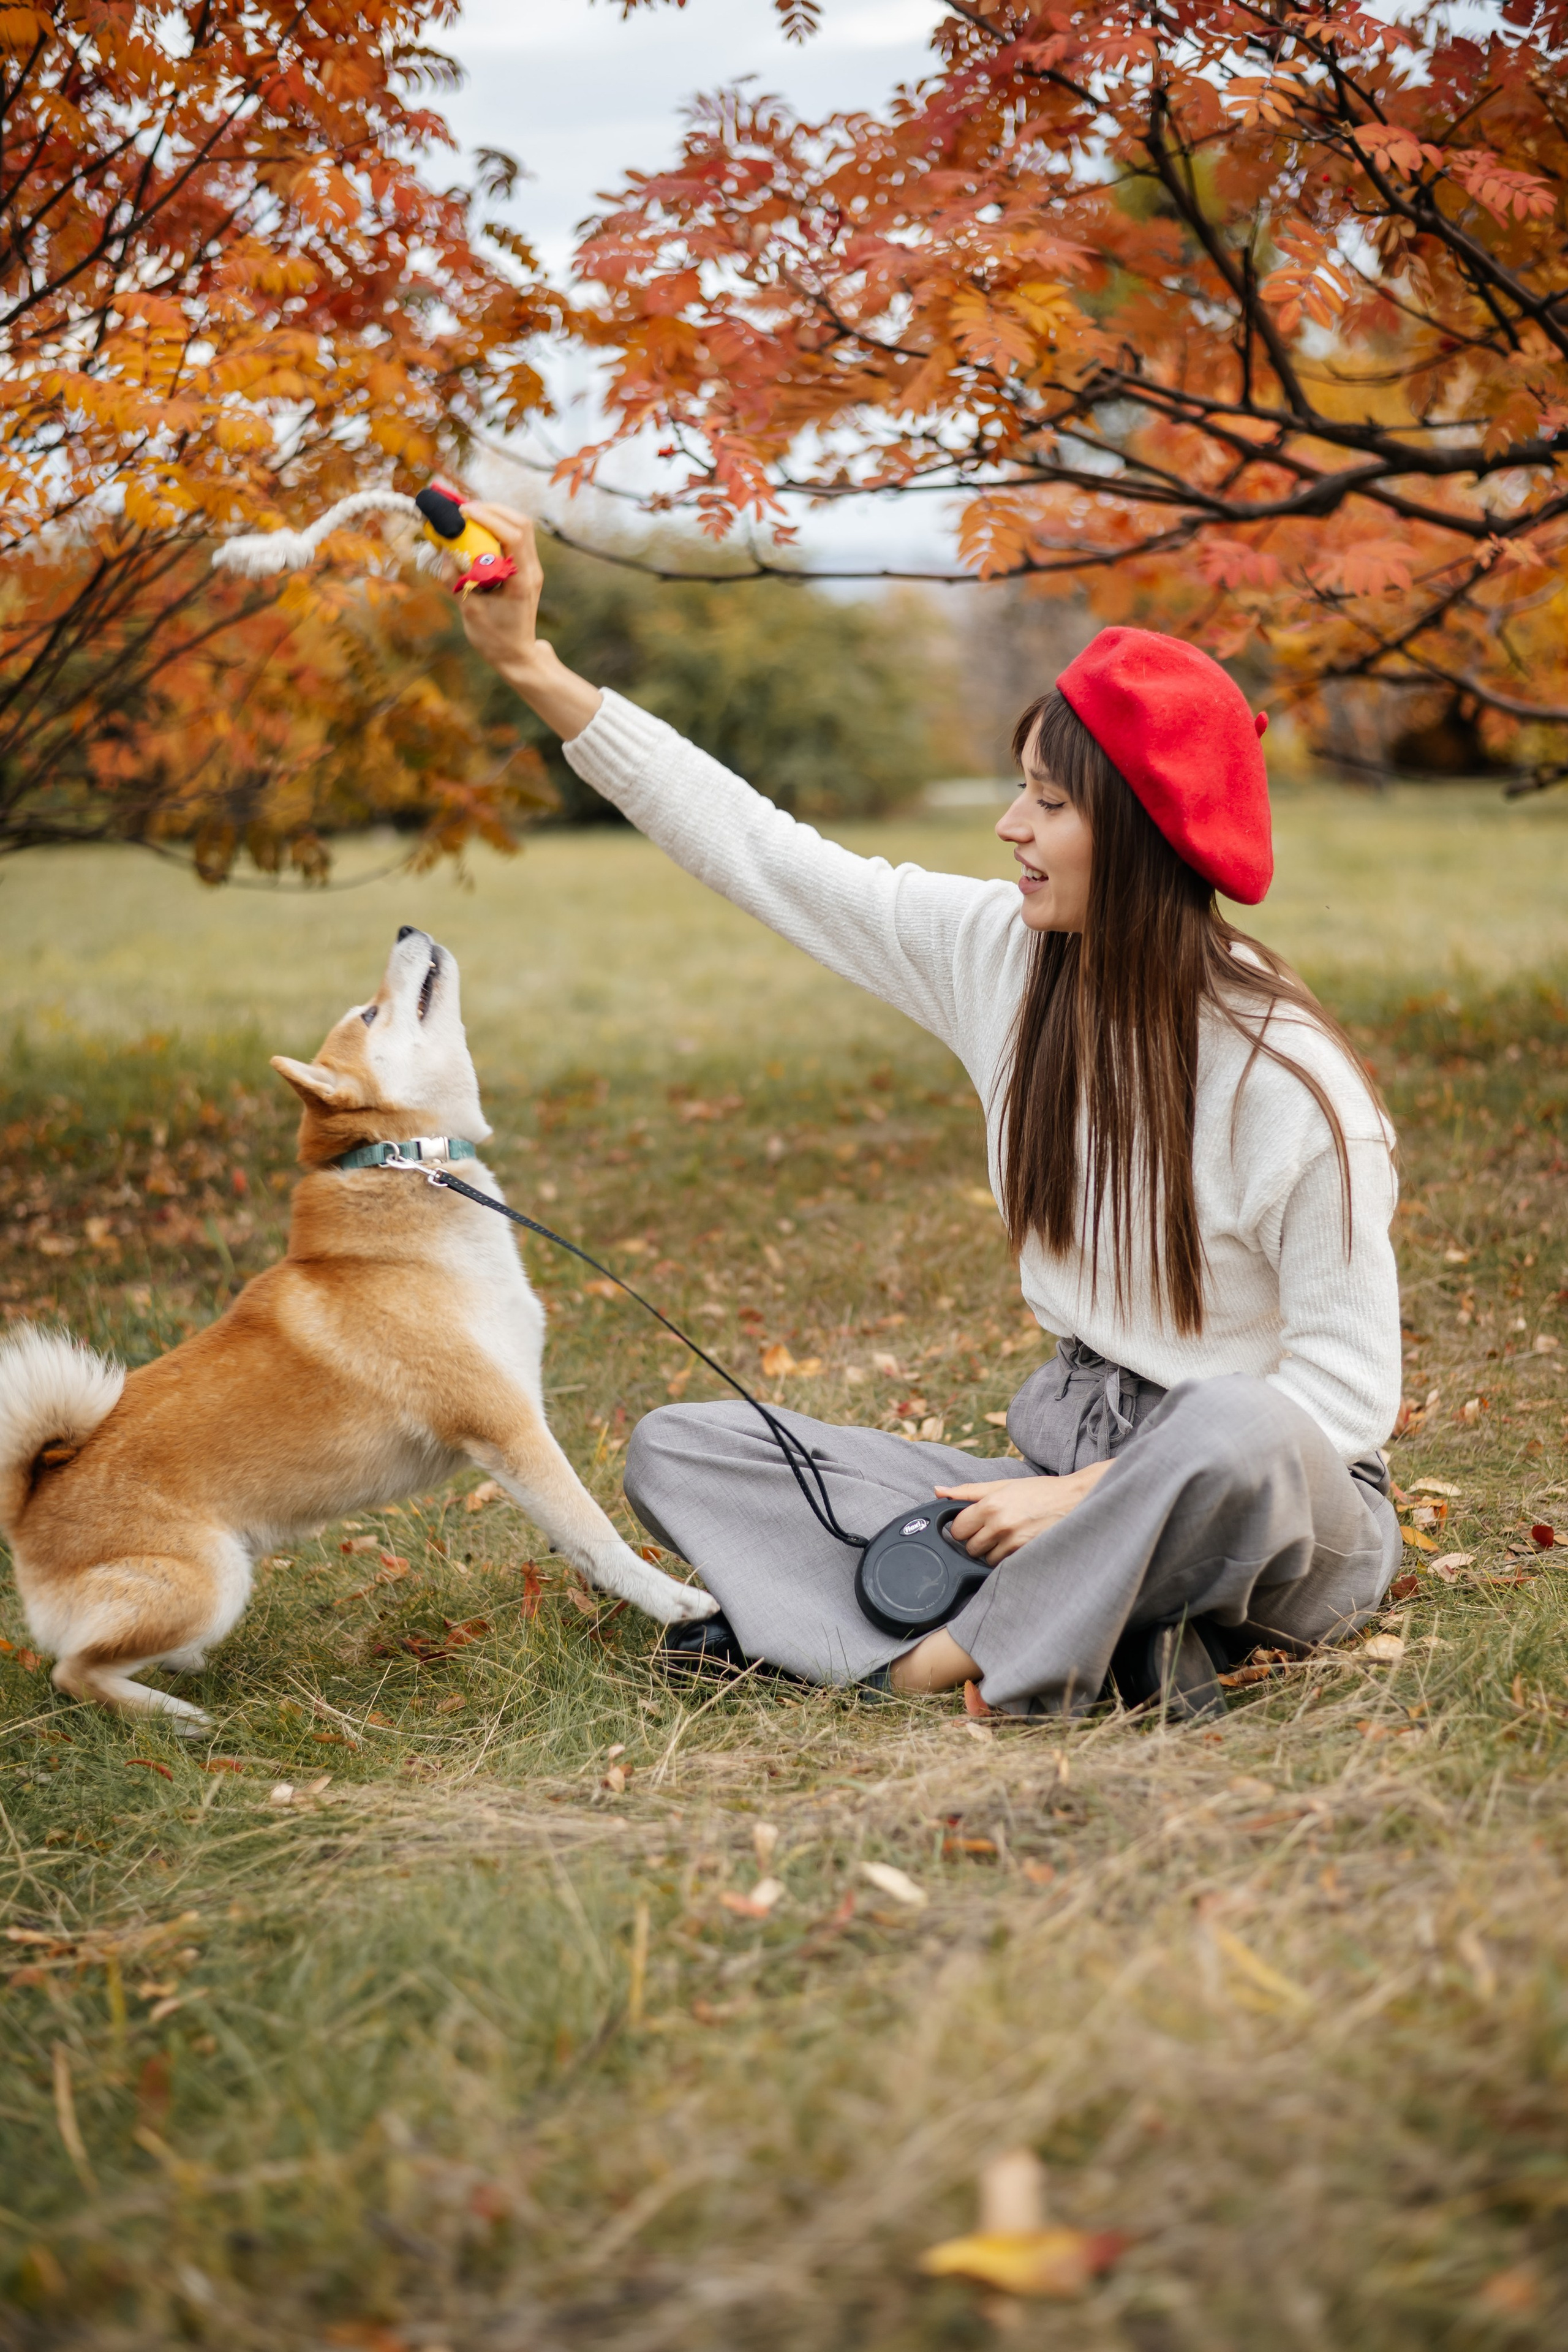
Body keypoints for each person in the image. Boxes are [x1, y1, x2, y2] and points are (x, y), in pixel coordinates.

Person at [458, 505, 1402, 1720]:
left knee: (1235, 1427)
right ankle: (1132, 1643)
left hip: (1267, 1511)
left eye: (1048, 805)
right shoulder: (999, 959)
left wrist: (1076, 1501)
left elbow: (1336, 1405)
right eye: (1018, 794)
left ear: (1139, 832)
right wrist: (530, 666)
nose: (1010, 828)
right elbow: (765, 854)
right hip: (1067, 1454)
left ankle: (929, 1662)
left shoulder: (1288, 1082)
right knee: (685, 1448)